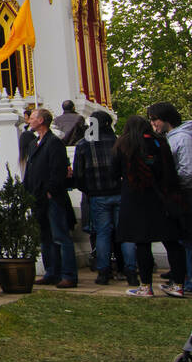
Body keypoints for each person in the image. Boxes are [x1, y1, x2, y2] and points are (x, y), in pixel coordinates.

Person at [116, 116, 187, 298]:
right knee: (171, 242)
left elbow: (114, 171)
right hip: (161, 197)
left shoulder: (124, 144)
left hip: (135, 197)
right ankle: (178, 284)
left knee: (142, 243)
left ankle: (146, 286)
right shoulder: (159, 143)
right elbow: (169, 170)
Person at [147, 102, 192, 293]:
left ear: (165, 118)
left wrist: (169, 183)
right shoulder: (171, 138)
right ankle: (190, 279)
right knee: (185, 239)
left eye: (154, 119)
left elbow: (188, 172)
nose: (153, 123)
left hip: (187, 193)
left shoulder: (182, 139)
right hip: (179, 193)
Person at [72, 110, 137, 286]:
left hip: (98, 195)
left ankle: (103, 271)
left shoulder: (84, 144)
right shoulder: (120, 143)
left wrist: (89, 190)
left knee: (102, 233)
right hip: (120, 192)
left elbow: (78, 175)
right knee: (125, 234)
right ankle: (131, 271)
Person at [22, 108, 77, 287]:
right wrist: (26, 191)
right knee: (44, 236)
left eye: (32, 118)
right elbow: (30, 171)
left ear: (42, 121)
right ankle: (51, 271)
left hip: (52, 197)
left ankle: (68, 274)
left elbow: (58, 169)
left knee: (60, 236)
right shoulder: (33, 144)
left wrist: (51, 190)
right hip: (37, 196)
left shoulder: (54, 143)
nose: (29, 120)